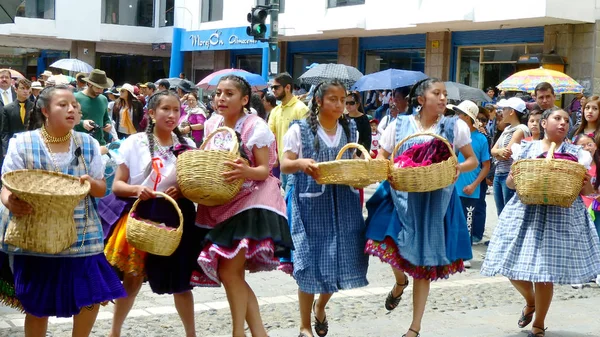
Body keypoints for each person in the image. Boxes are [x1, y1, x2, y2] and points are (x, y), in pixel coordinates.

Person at [0, 85, 125, 336]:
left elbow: (101, 189)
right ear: (45, 110)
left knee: (90, 296)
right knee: (37, 304)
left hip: (82, 234)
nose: (72, 109)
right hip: (35, 234)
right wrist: (9, 201)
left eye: (75, 106)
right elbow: (6, 184)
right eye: (63, 105)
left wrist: (92, 183)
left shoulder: (88, 143)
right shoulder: (23, 143)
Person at [365, 78, 478, 337]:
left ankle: (414, 327)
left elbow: (472, 159)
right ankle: (399, 281)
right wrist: (390, 168)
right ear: (420, 99)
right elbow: (383, 158)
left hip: (436, 201)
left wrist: (457, 168)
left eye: (445, 94)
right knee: (378, 237)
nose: (442, 99)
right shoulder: (399, 124)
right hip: (400, 196)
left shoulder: (455, 126)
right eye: (436, 93)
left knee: (423, 265)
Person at [481, 109, 600, 337]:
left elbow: (587, 191)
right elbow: (511, 184)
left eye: (566, 120)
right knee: (507, 262)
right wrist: (515, 177)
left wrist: (585, 183)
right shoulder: (525, 148)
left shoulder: (577, 153)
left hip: (560, 214)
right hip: (525, 211)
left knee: (545, 273)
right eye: (557, 118)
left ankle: (539, 323)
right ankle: (530, 300)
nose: (563, 123)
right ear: (544, 123)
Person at [193, 75, 292, 337]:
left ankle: (238, 332)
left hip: (250, 202)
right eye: (218, 94)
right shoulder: (211, 124)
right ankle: (258, 332)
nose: (221, 99)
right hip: (219, 201)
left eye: (229, 94)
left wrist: (245, 170)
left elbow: (265, 169)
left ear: (245, 99)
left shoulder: (255, 126)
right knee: (231, 274)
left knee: (229, 271)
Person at [100, 90, 204, 337]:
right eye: (165, 109)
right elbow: (118, 185)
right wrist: (138, 189)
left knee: (181, 282)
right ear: (151, 113)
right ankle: (114, 332)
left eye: (176, 110)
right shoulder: (134, 143)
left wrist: (182, 190)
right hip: (142, 215)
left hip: (177, 217)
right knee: (132, 277)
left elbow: (195, 187)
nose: (171, 115)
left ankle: (191, 333)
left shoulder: (188, 146)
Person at [281, 79, 369, 337]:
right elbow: (284, 163)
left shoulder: (350, 128)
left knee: (339, 261)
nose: (340, 104)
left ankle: (321, 306)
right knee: (310, 265)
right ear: (318, 101)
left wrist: (360, 166)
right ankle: (304, 325)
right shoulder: (299, 130)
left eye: (343, 100)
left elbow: (352, 159)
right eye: (333, 99)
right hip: (310, 205)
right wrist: (300, 163)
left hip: (344, 205)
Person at [453, 101, 491, 252]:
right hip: (453, 188)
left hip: (470, 190)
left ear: (467, 117)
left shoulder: (481, 139)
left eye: (459, 114)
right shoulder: (454, 135)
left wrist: (474, 185)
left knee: (467, 224)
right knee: (453, 221)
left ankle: (465, 253)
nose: (456, 117)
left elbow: (486, 165)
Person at [268, 72, 309, 190]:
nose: (273, 90)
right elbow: (270, 136)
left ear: (287, 88)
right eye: (272, 88)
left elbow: (308, 136)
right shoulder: (275, 111)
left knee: (291, 200)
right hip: (283, 165)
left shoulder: (301, 108)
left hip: (297, 165)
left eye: (276, 87)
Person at [490, 97, 530, 215]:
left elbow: (507, 154)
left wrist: (497, 152)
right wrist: (498, 152)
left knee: (509, 213)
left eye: (504, 109)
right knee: (500, 213)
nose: (502, 112)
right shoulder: (507, 128)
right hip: (499, 173)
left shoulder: (521, 129)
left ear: (512, 111)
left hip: (510, 175)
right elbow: (492, 150)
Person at [75, 69, 114, 146]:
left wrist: (108, 124)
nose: (101, 91)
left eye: (103, 88)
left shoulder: (103, 99)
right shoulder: (75, 98)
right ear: (89, 84)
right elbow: (66, 120)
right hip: (80, 144)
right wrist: (82, 123)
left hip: (100, 144)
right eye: (98, 88)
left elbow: (106, 118)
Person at [2, 78, 34, 157]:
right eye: (22, 88)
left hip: (32, 145)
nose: (25, 91)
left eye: (27, 88)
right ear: (16, 90)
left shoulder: (35, 107)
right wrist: (5, 150)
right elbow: (5, 132)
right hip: (14, 147)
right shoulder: (7, 109)